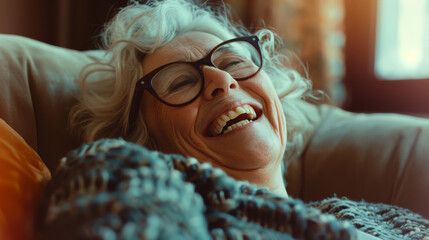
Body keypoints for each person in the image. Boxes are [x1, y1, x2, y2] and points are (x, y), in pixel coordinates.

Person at [64, 0, 426, 239]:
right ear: (140, 137)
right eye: (181, 82)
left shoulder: (388, 219)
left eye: (234, 63)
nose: (222, 81)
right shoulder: (116, 172)